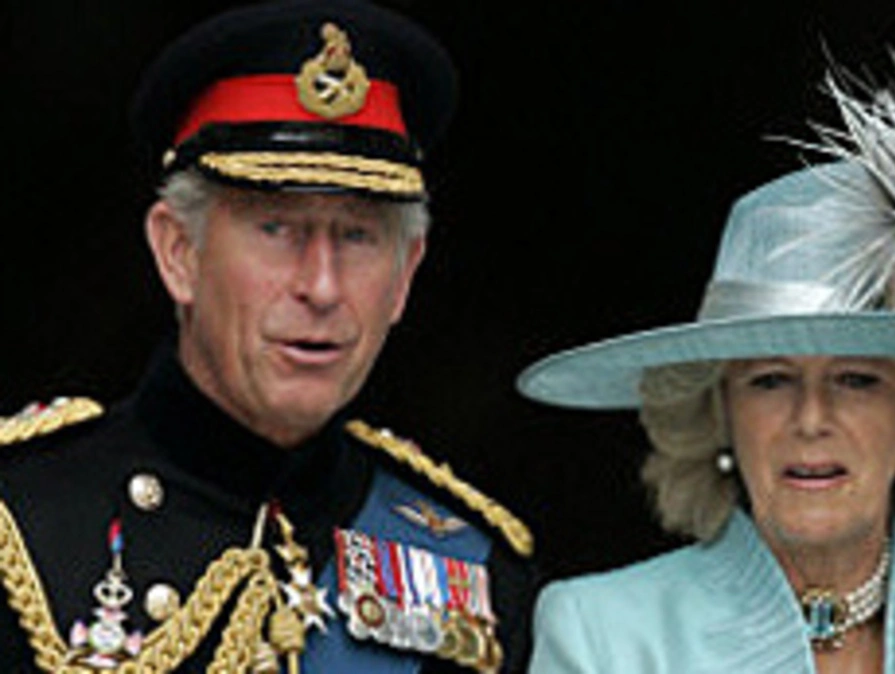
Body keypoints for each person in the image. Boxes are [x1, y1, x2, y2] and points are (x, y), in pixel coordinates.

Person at [518, 33, 895, 673]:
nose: (811, 418)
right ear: (719, 411)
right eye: (770, 380)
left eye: (857, 379)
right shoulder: (603, 634)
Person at [0, 1, 534, 672]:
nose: (322, 286)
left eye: (358, 236)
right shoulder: (25, 514)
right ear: (178, 252)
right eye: (276, 229)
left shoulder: (474, 571)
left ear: (405, 275)